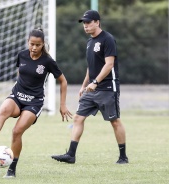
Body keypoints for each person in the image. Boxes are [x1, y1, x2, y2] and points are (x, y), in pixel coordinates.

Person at [0, 28, 72, 178]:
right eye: (31, 44)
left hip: (34, 102)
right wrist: (18, 85)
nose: (34, 48)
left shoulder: (48, 61)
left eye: (38, 45)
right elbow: (21, 72)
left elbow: (63, 81)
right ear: (28, 42)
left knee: (16, 131)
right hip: (17, 96)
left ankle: (11, 170)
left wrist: (63, 105)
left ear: (43, 44)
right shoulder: (22, 55)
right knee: (4, 109)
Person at [51, 10, 128, 164]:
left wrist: (96, 82)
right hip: (91, 88)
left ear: (97, 22)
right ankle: (71, 155)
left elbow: (109, 64)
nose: (85, 26)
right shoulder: (89, 42)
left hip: (107, 88)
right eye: (84, 23)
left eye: (88, 22)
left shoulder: (108, 39)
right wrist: (84, 85)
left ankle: (123, 157)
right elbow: (90, 67)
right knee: (78, 118)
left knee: (114, 121)